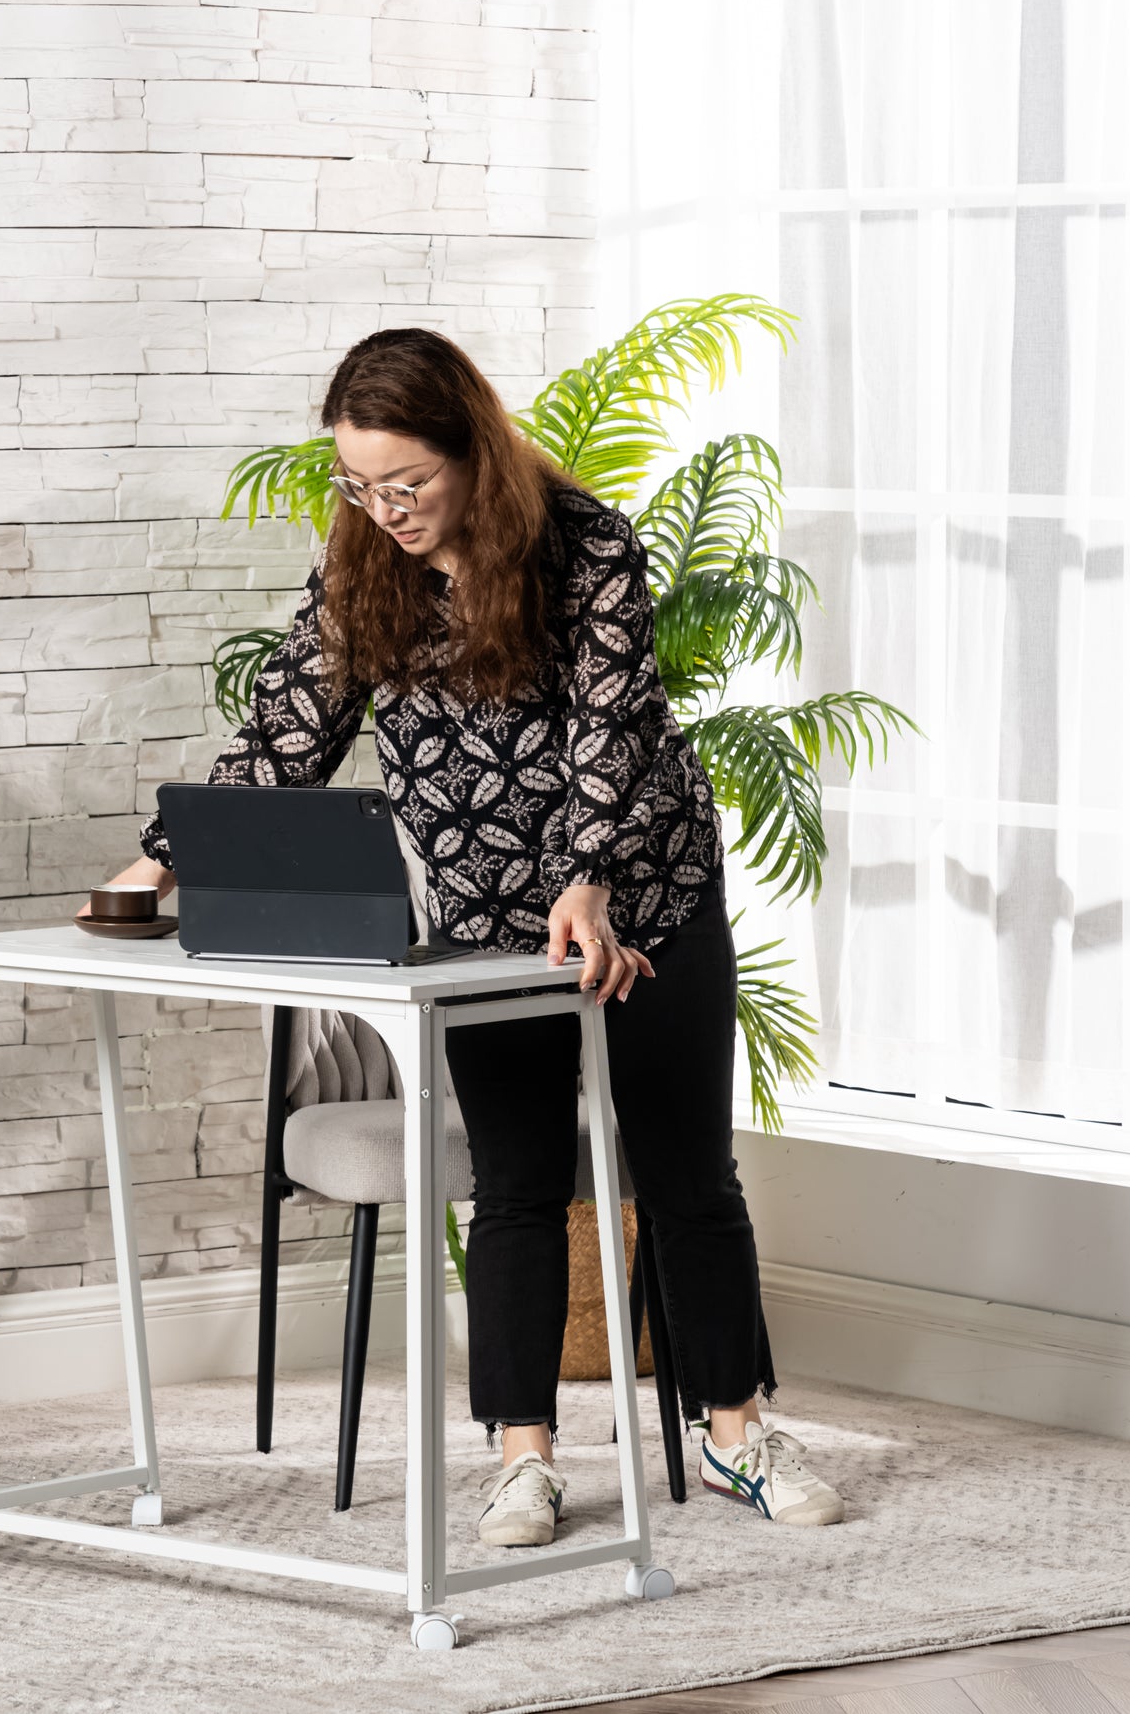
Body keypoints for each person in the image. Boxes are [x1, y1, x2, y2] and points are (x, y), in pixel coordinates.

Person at [92, 327, 846, 1544]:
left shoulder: (584, 544)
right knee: (515, 1182)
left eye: (407, 483)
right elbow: (293, 723)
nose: (381, 508)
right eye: (359, 485)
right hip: (492, 930)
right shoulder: (362, 570)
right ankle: (523, 1456)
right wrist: (155, 861)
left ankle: (736, 1433)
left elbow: (611, 723)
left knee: (687, 1176)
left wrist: (587, 880)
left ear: (471, 452)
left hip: (645, 890)